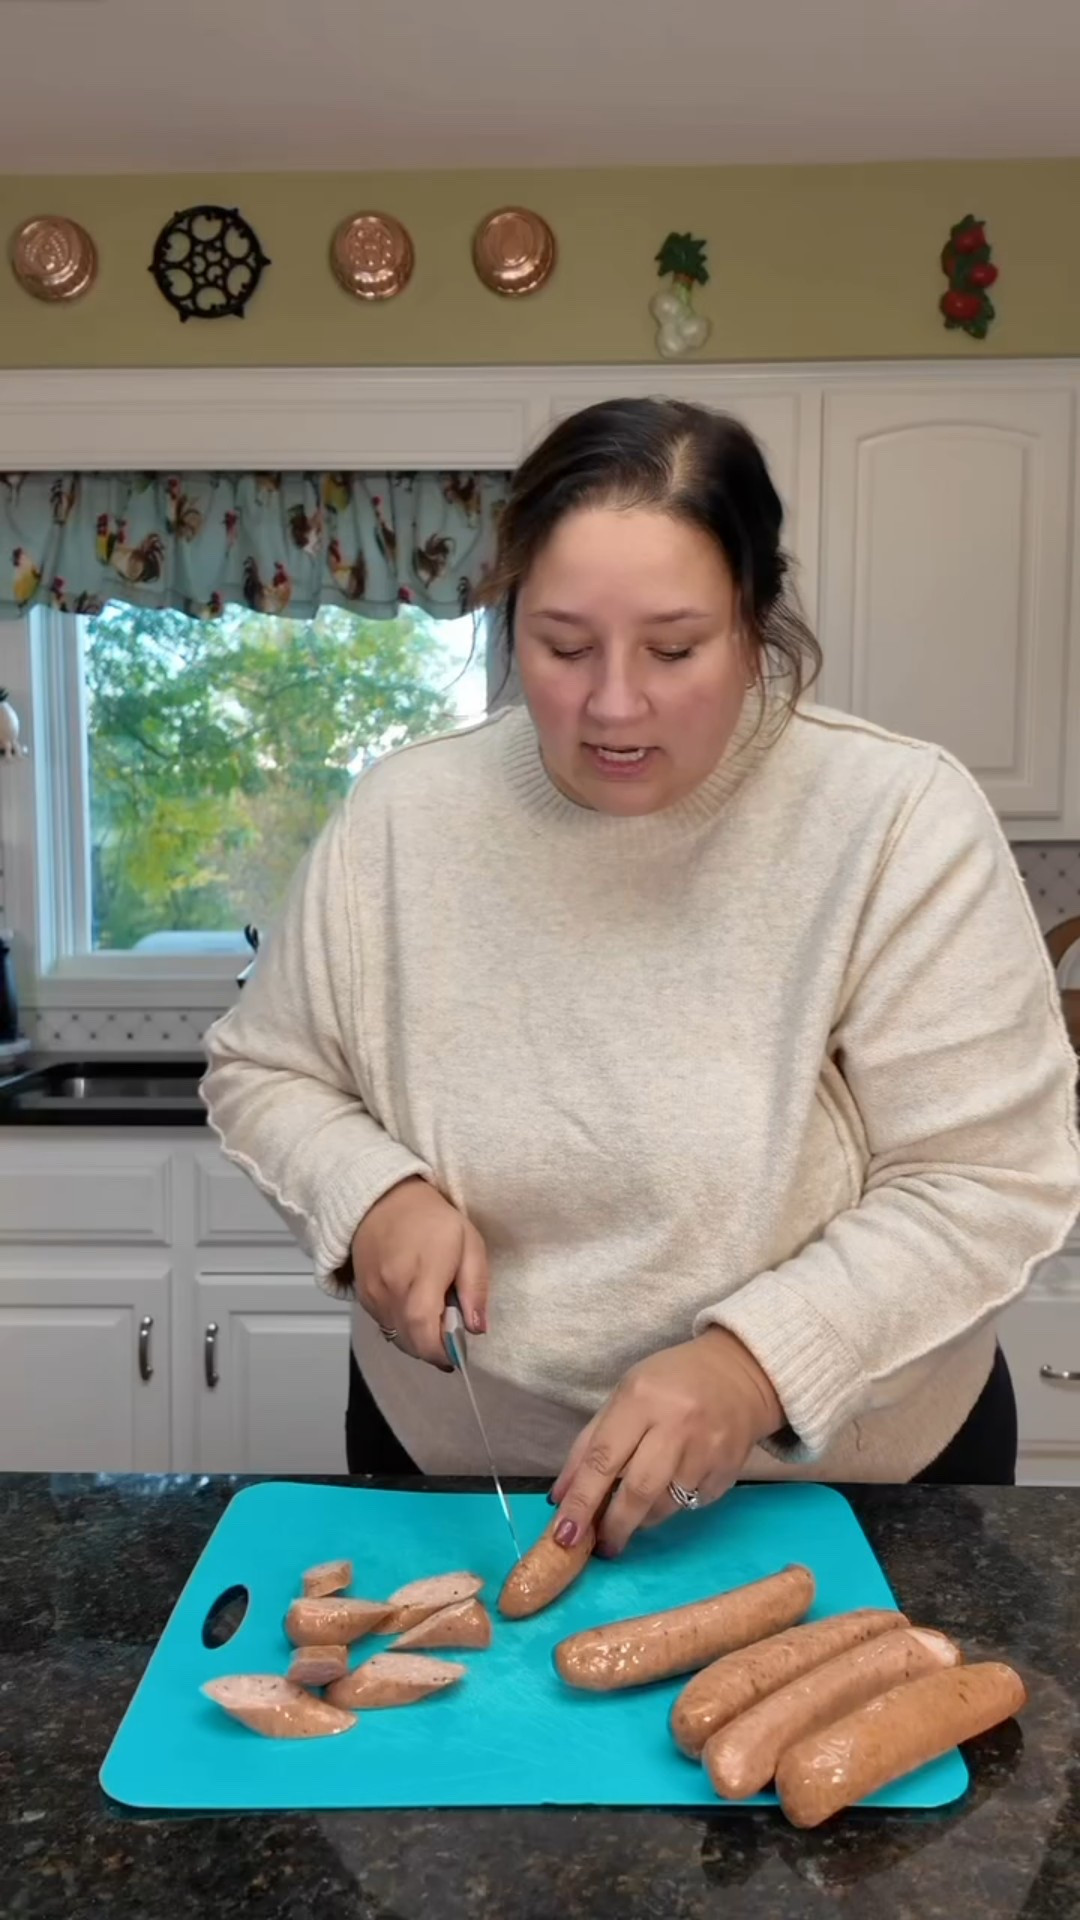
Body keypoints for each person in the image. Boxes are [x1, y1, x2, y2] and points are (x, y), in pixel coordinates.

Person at [201, 398, 1080, 1559]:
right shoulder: (401, 820)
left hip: (844, 1482)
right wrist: (371, 1193)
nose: (612, 705)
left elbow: (988, 1182)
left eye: (674, 649)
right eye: (563, 647)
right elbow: (266, 1071)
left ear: (755, 623)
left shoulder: (898, 821)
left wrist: (757, 1364)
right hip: (466, 1463)